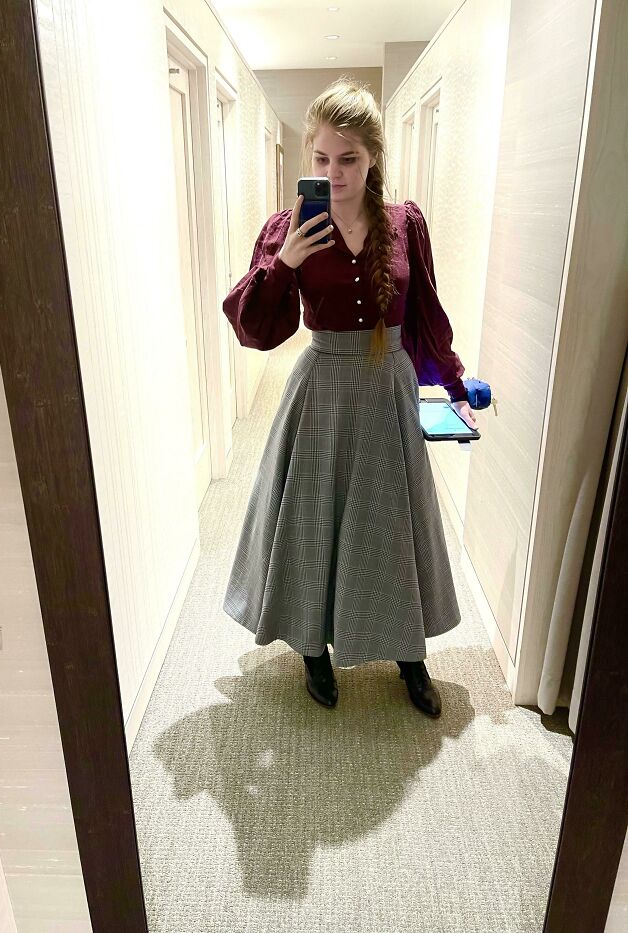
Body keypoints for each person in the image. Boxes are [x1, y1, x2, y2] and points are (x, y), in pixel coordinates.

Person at [221, 77, 477, 718]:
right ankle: (313, 648)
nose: (333, 172)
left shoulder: (404, 223)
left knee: (392, 522)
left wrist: (453, 382)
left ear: (373, 158)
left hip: (389, 386)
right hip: (322, 388)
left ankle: (409, 654)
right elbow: (257, 329)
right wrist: (283, 263)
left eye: (349, 158)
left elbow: (425, 312)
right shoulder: (288, 227)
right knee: (312, 521)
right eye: (321, 158)